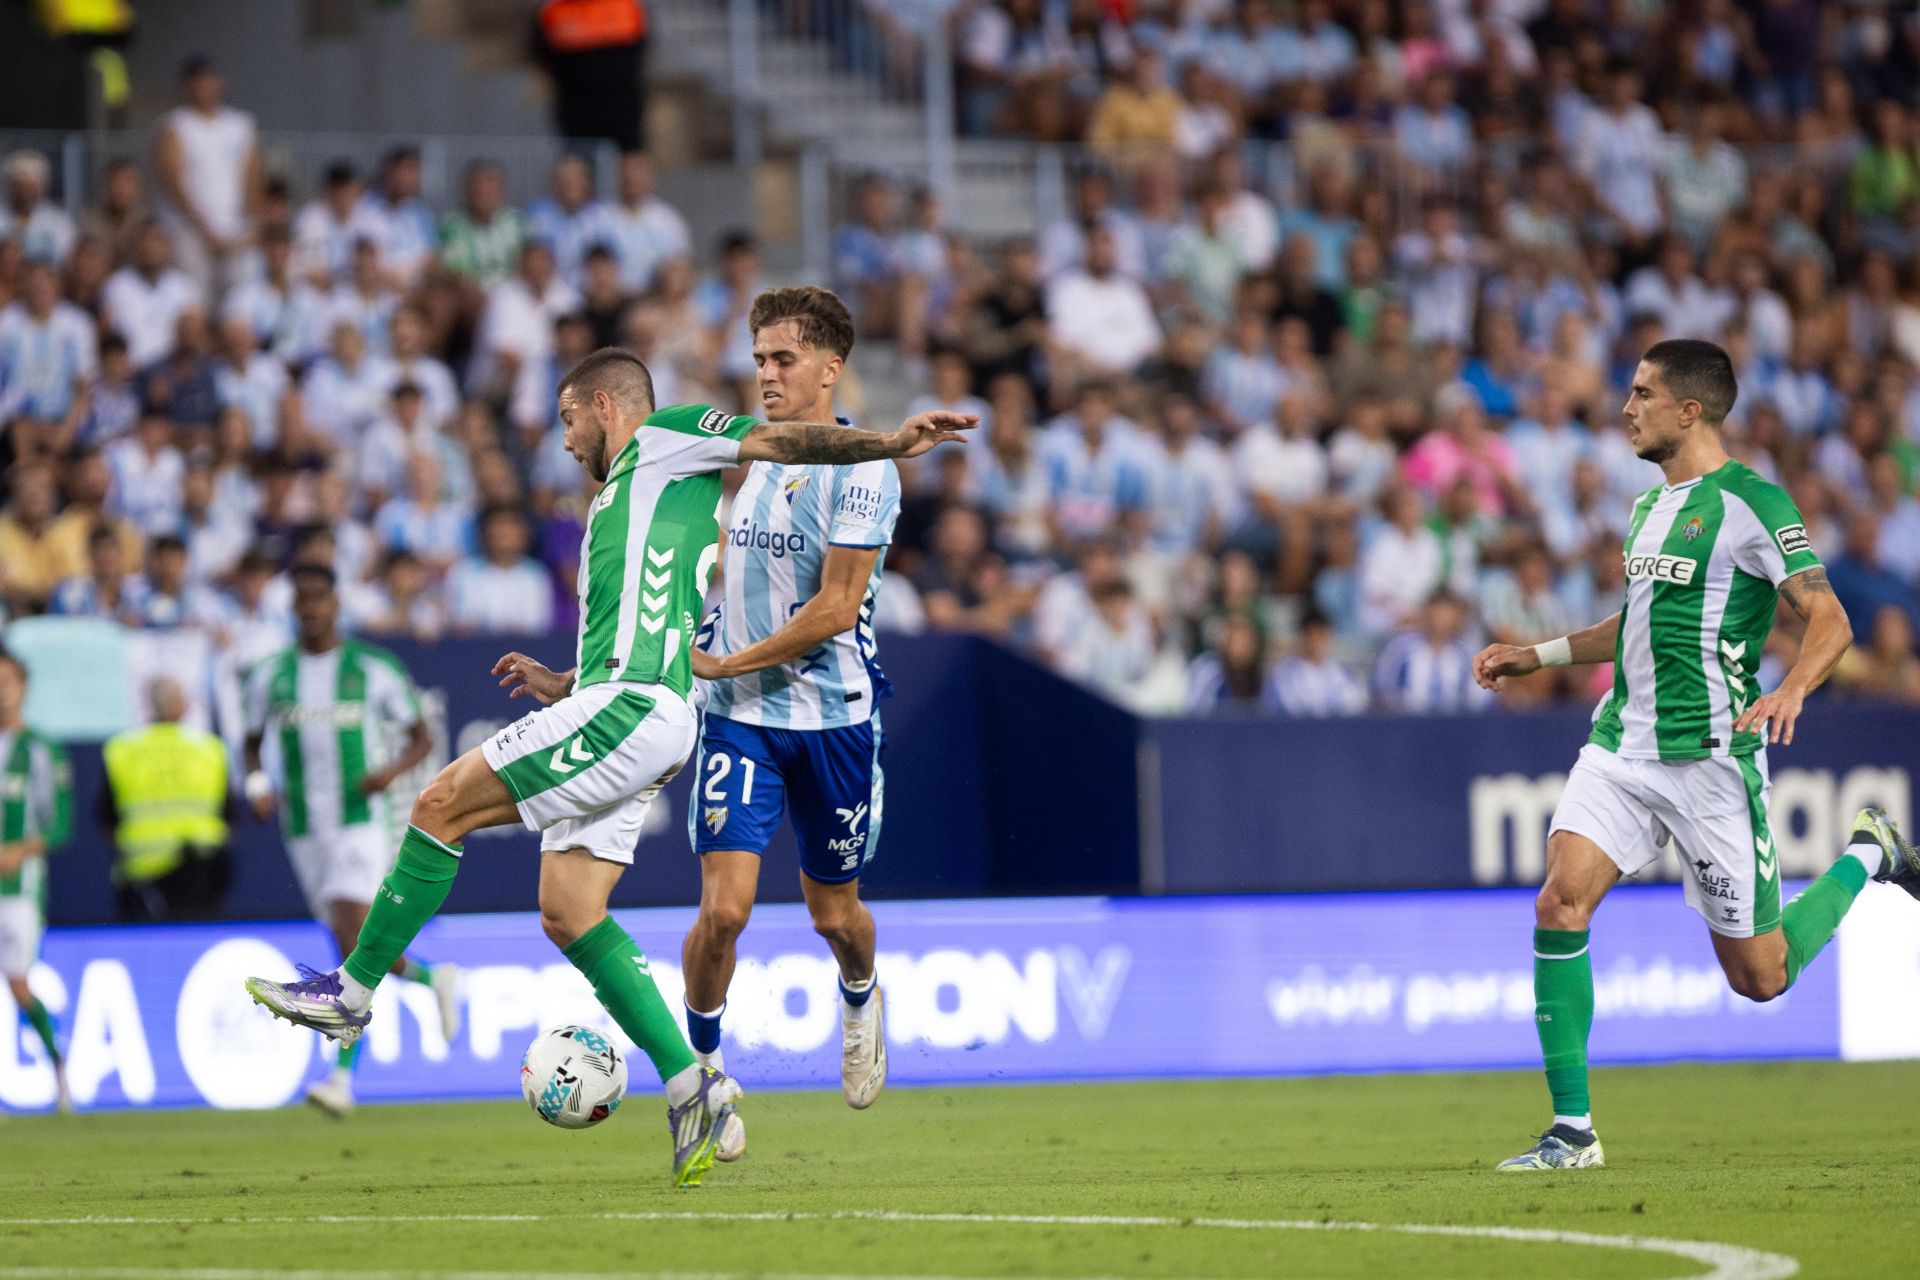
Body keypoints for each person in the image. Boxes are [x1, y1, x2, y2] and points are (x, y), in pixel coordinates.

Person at [241, 346, 975, 1187]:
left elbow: (782, 442)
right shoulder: (619, 507)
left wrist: (888, 442)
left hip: (637, 709)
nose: (562, 442)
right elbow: (641, 630)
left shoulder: (663, 437)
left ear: (603, 405)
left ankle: (353, 995)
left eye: (567, 421)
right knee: (567, 908)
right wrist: (564, 685)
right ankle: (695, 1085)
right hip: (626, 702)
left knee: (440, 802)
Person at [1473, 340, 1920, 1171]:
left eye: (1642, 394)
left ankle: (1870, 851)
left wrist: (1791, 690)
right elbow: (1634, 623)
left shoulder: (1752, 503)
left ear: (1690, 410)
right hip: (1621, 746)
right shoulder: (1650, 508)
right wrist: (1538, 654)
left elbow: (1829, 618)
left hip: (1711, 762)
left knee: (1762, 978)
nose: (1626, 407)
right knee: (1558, 902)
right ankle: (1573, 1132)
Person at [680, 287, 903, 1163]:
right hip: (740, 722)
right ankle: (700, 1078)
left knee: (834, 916)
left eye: (783, 360)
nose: (765, 374)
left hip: (834, 719)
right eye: (759, 357)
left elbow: (835, 608)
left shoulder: (864, 469)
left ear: (829, 368)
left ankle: (860, 997)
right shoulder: (753, 453)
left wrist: (727, 661)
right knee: (723, 911)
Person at [242, 563, 455, 1118]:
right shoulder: (272, 676)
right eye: (302, 599)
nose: (311, 608)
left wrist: (387, 774)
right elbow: (250, 741)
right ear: (293, 608)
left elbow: (421, 736)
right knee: (350, 942)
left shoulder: (373, 668)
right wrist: (258, 783)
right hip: (304, 827)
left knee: (347, 925)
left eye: (320, 598)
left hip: (361, 818)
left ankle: (341, 1076)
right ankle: (431, 977)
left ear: (336, 604)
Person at [0, 651, 73, 1113]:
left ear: (23, 687)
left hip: (18, 890)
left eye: (7, 680)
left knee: (19, 987)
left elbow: (61, 824)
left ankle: (59, 1071)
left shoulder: (42, 749)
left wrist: (21, 849)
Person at [100, 677, 231, 921]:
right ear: (183, 706)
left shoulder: (122, 751)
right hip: (200, 876)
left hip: (141, 877)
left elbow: (106, 820)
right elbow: (229, 817)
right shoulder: (209, 750)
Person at [154, 55, 261, 301]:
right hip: (189, 230)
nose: (205, 88)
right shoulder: (176, 124)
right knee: (196, 300)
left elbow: (253, 178)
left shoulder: (240, 124)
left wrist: (251, 223)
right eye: (198, 82)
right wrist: (205, 230)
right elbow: (173, 182)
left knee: (238, 301)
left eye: (209, 80)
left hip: (233, 229)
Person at [533, 0, 650, 154]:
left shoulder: (627, 7)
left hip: (622, 101)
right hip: (575, 103)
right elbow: (540, 56)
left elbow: (643, 53)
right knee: (574, 161)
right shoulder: (553, 11)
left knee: (632, 158)